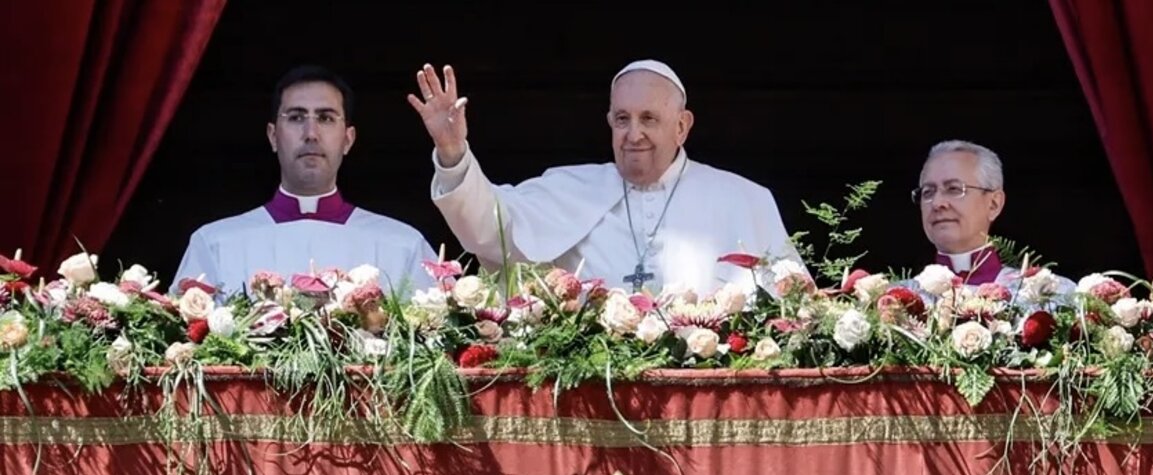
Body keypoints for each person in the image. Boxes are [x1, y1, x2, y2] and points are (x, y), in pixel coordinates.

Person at [406, 59, 806, 297]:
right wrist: (453, 150)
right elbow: (487, 229)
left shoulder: (743, 199)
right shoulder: (569, 189)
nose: (634, 134)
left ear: (682, 126)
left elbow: (795, 309)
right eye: (622, 119)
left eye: (649, 118)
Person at [175, 64, 438, 296]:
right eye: (296, 117)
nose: (311, 133)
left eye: (325, 118)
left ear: (348, 139)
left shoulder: (402, 245)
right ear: (273, 136)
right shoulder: (214, 244)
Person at [911, 139, 1073, 296]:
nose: (937, 203)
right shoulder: (896, 303)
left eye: (953, 189)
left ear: (994, 204)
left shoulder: (1050, 296)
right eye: (928, 192)